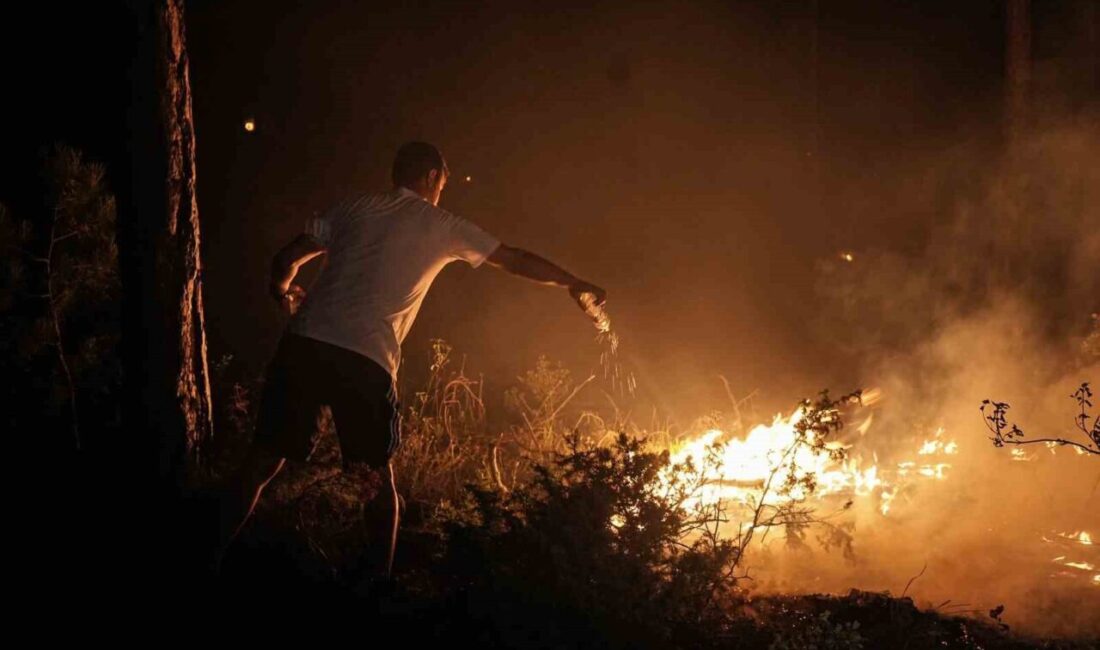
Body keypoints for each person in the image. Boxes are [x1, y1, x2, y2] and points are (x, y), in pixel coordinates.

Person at [218, 141, 606, 577]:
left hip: (304, 345)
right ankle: (378, 593)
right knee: (377, 488)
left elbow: (285, 260)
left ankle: (201, 556)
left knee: (260, 466)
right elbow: (513, 259)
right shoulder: (440, 224)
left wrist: (284, 293)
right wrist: (572, 282)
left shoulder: (354, 207)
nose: (443, 190)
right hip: (364, 360)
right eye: (444, 181)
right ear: (430, 178)